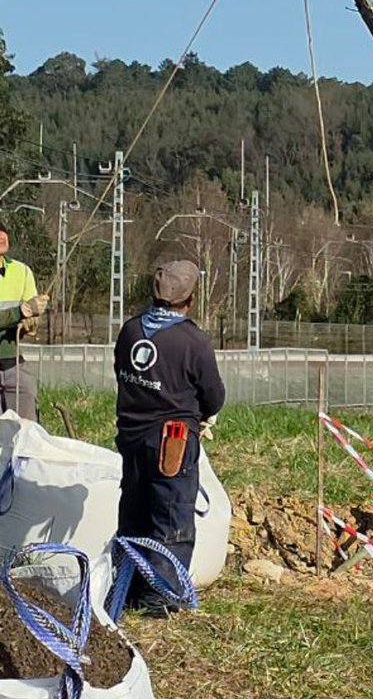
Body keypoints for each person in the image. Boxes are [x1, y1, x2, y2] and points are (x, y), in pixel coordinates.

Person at [114, 259, 225, 614]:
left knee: (134, 512)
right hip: (171, 441)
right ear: (190, 299)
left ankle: (126, 589)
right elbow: (213, 395)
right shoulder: (193, 341)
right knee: (171, 517)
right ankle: (159, 598)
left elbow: (121, 373)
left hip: (132, 437)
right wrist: (204, 414)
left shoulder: (131, 330)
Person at [0, 220, 50, 420]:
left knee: (27, 428)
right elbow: (23, 311)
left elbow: (32, 317)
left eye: (3, 230)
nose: (1, 236)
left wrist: (32, 322)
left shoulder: (22, 271)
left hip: (14, 365)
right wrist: (21, 311)